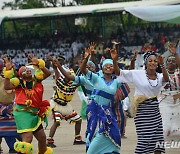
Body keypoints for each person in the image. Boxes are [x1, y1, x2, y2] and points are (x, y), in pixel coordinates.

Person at [117, 50, 169, 154]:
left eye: (155, 61)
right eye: (150, 61)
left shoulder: (159, 76)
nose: (153, 63)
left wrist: (163, 64)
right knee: (145, 140)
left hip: (155, 111)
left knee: (158, 141)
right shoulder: (138, 74)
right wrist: (114, 60)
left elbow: (166, 79)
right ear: (145, 63)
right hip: (142, 111)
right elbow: (119, 73)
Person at [3, 55, 53, 154]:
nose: (28, 71)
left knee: (42, 138)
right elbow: (7, 86)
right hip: (23, 113)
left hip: (35, 113)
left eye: (28, 69)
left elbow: (48, 73)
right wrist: (8, 73)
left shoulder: (37, 80)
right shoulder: (19, 84)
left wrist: (39, 64)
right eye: (24, 70)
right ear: (20, 75)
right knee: (28, 139)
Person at [80, 47, 122, 154]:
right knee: (92, 143)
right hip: (95, 112)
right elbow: (83, 69)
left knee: (113, 139)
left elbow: (123, 74)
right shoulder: (96, 78)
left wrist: (115, 60)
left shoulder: (116, 82)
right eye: (106, 66)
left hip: (108, 116)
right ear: (102, 68)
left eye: (111, 66)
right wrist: (86, 57)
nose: (108, 67)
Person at [46, 56, 85, 148]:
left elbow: (82, 77)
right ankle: (50, 140)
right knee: (57, 121)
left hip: (66, 106)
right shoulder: (59, 81)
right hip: (56, 104)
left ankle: (77, 138)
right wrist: (53, 61)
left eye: (69, 75)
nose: (67, 76)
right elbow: (55, 69)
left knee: (78, 120)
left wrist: (83, 65)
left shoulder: (73, 85)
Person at [159, 42, 180, 142]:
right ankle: (163, 141)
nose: (171, 62)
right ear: (166, 63)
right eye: (169, 61)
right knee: (165, 122)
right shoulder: (162, 74)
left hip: (178, 100)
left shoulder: (178, 73)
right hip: (165, 100)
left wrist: (175, 54)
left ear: (176, 64)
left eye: (173, 61)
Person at [0, 56, 21, 154]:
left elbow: (16, 76)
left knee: (12, 130)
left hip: (10, 107)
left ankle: (13, 147)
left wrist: (10, 67)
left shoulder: (13, 79)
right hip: (3, 107)